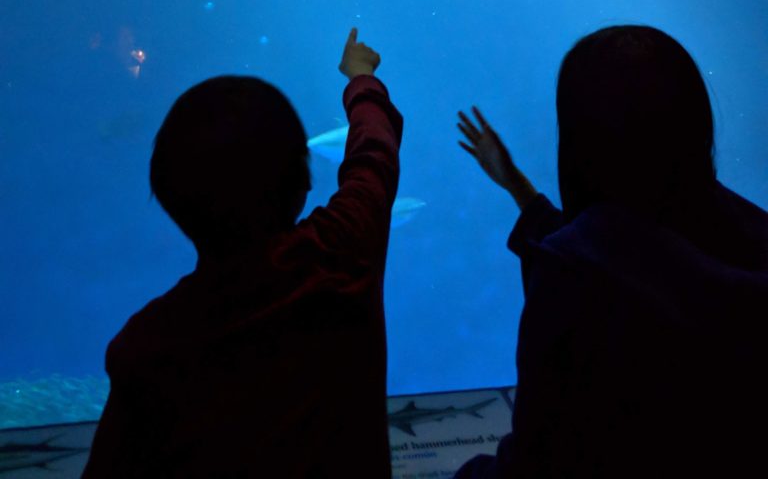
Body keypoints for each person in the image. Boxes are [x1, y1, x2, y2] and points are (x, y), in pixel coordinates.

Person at [82, 27, 402, 479]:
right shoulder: (340, 251)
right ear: (305, 181)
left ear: (171, 200)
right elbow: (374, 157)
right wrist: (360, 78)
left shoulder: (146, 348)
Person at [454, 24, 768, 479]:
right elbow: (639, 247)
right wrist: (517, 187)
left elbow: (539, 459)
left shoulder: (574, 276)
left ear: (580, 135)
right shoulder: (750, 231)